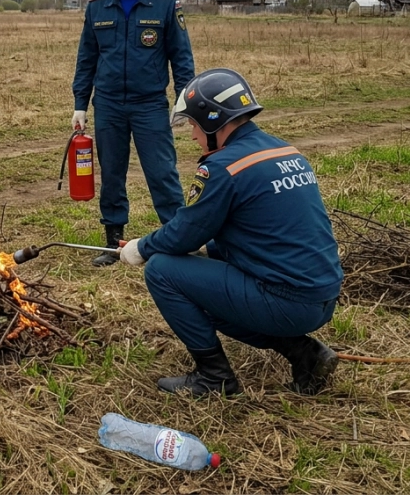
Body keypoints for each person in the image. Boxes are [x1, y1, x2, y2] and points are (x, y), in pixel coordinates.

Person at [118, 68, 342, 397]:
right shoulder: (284, 151)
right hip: (322, 295)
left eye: (194, 125)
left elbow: (183, 234)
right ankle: (305, 354)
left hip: (288, 301)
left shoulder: (225, 166)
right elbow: (262, 231)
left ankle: (214, 376)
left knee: (162, 271)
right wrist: (206, 250)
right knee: (202, 275)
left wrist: (141, 248)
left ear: (213, 120)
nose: (192, 135)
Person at [71, 0, 195, 266]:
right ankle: (113, 242)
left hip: (149, 105)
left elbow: (181, 57)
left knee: (162, 172)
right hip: (108, 105)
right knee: (112, 174)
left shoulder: (165, 4)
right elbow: (87, 58)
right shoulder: (98, 7)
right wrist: (80, 104)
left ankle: (177, 240)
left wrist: (184, 102)